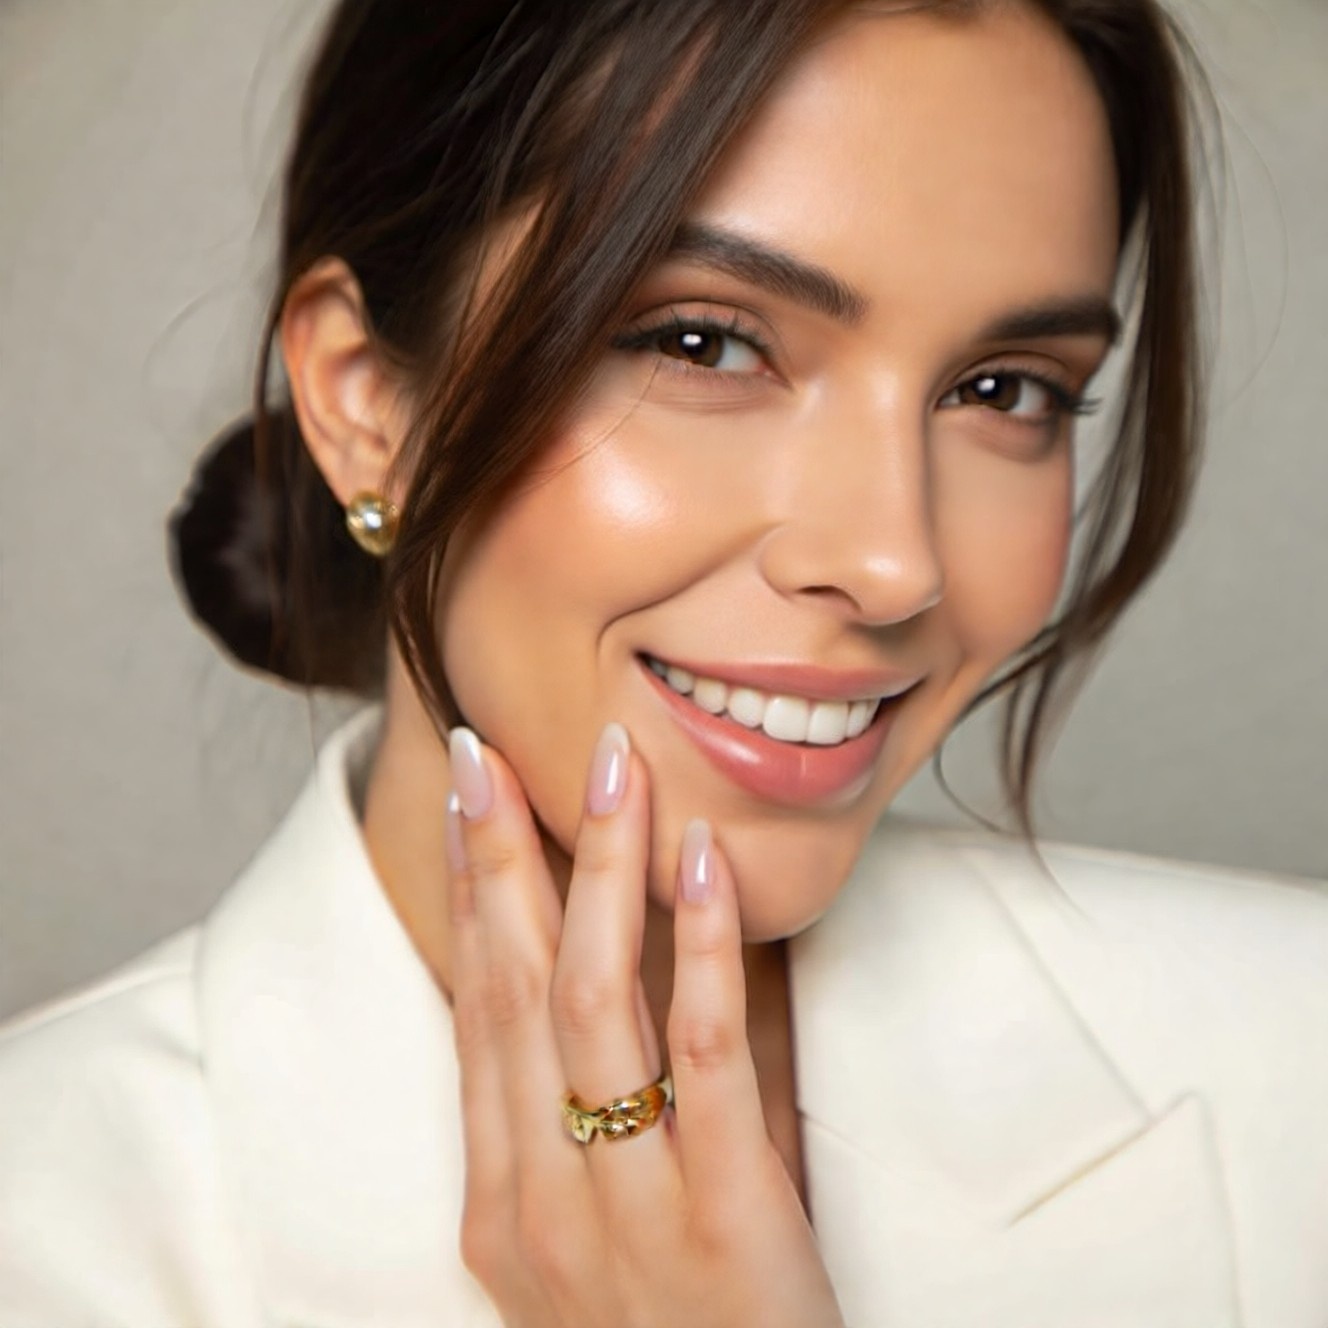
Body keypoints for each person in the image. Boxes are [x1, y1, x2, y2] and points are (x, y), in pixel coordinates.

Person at [1, 0, 1326, 1324]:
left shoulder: (1294, 1059)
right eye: (705, 343)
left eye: (1005, 388)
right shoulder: (48, 1234)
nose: (893, 563)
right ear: (365, 399)